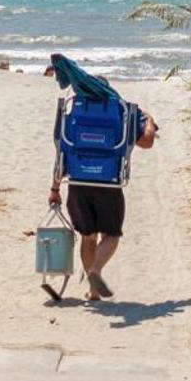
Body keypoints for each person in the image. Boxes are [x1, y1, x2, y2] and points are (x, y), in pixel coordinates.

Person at [50, 104, 158, 302]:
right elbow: (147, 141)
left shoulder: (73, 114)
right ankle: (95, 270)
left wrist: (54, 189)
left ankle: (93, 292)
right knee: (112, 234)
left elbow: (61, 155)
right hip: (109, 185)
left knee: (88, 236)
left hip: (78, 184)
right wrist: (149, 121)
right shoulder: (119, 112)